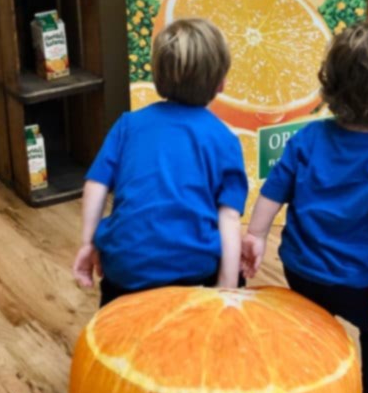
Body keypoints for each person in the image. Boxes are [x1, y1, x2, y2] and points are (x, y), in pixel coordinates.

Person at [241, 22, 368, 393]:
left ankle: (306, 384)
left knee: (311, 322)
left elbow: (273, 191)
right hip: (356, 283)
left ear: (329, 83)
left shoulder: (308, 138)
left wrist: (256, 234)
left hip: (299, 269)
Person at [73, 18, 248, 306]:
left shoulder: (128, 124)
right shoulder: (225, 139)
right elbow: (228, 217)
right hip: (192, 272)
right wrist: (227, 286)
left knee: (119, 327)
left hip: (124, 268)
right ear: (221, 83)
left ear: (157, 76)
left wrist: (88, 243)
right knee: (231, 273)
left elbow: (95, 184)